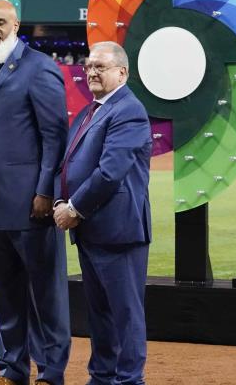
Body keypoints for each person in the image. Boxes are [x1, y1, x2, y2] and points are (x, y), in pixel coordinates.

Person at [0, 0, 70, 385]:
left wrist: (46, 191)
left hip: (31, 202)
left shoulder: (39, 68)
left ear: (16, 25)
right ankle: (12, 367)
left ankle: (51, 371)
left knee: (46, 293)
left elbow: (54, 136)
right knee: (5, 291)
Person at [54, 41, 152, 385]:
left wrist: (74, 208)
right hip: (91, 231)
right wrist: (58, 202)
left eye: (101, 67)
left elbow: (111, 172)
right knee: (99, 314)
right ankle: (101, 376)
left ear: (121, 73)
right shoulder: (89, 110)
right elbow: (65, 165)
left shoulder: (129, 110)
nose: (92, 72)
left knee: (125, 314)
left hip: (119, 230)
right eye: (90, 66)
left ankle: (128, 380)